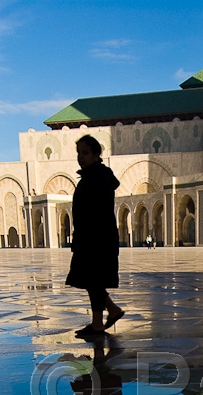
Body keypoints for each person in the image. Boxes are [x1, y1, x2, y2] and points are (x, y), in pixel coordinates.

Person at [66, 134, 125, 337]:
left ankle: (98, 323)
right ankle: (112, 311)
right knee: (93, 280)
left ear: (96, 154)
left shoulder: (97, 178)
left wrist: (83, 238)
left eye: (85, 153)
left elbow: (95, 213)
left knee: (93, 280)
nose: (81, 157)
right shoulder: (95, 176)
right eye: (79, 153)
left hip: (96, 239)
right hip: (94, 238)